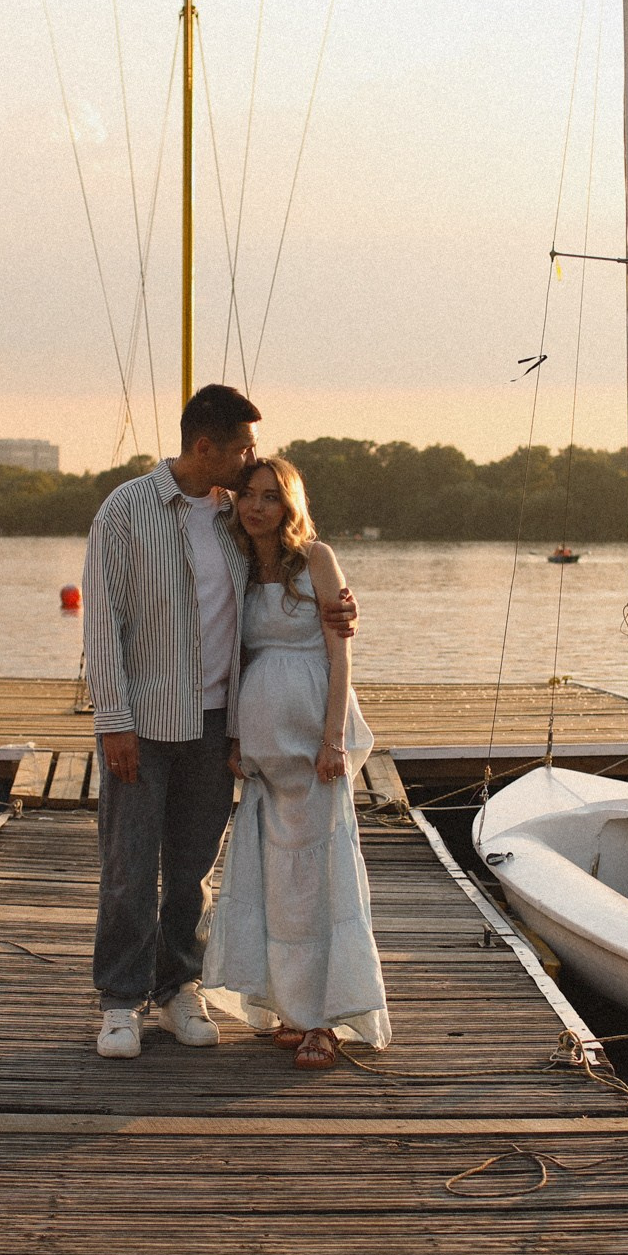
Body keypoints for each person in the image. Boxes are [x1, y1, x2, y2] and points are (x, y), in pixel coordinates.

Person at [79, 386, 354, 1060]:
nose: (252, 460)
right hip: (142, 723)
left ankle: (178, 988)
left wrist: (341, 605)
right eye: (243, 449)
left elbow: (288, 571)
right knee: (129, 867)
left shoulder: (237, 515)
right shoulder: (125, 510)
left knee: (192, 871)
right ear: (206, 447)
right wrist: (113, 721)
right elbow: (102, 622)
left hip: (215, 725)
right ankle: (120, 1002)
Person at [201, 456, 389, 1068]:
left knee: (317, 882)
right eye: (249, 495)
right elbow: (236, 656)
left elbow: (341, 655)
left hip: (313, 743)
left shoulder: (317, 560)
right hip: (264, 751)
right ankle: (290, 1007)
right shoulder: (237, 563)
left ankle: (325, 1022)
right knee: (276, 885)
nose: (257, 507)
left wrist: (333, 738)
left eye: (271, 496)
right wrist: (235, 738)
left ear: (290, 504)